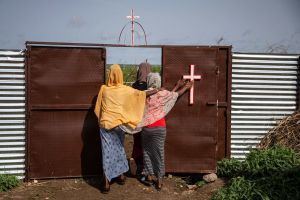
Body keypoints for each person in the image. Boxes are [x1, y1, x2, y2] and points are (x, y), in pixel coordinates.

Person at [94, 64, 159, 193]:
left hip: (105, 125)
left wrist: (103, 120)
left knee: (107, 153)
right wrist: (156, 90)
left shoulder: (104, 89)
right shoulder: (125, 89)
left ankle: (107, 182)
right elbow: (141, 95)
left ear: (110, 75)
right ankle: (121, 176)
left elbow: (97, 109)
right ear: (120, 75)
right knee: (119, 150)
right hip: (119, 126)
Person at [141, 73, 193, 190]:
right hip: (159, 127)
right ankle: (159, 181)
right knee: (159, 153)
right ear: (158, 81)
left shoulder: (144, 94)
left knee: (147, 152)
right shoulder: (162, 93)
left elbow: (168, 96)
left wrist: (177, 86)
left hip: (146, 127)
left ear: (149, 81)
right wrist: (185, 87)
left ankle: (149, 176)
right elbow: (173, 96)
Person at [130, 62, 151, 176]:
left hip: (135, 118)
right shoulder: (150, 86)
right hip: (147, 118)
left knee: (136, 141)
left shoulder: (134, 85)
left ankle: (134, 159)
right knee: (146, 143)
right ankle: (144, 165)